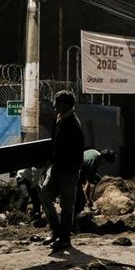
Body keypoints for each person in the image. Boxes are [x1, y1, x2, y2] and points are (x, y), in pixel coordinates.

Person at [40, 90, 85, 251]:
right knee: (44, 195)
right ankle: (56, 231)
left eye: (57, 102)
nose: (54, 105)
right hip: (57, 168)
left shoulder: (72, 124)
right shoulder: (59, 119)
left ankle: (64, 238)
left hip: (68, 170)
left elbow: (71, 152)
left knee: (66, 205)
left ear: (66, 105)